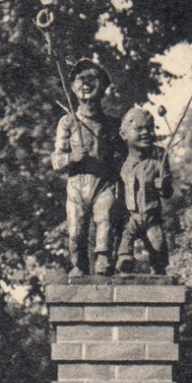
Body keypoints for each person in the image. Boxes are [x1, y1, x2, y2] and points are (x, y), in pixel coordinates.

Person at [51, 59, 123, 276]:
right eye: (80, 79)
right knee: (75, 234)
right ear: (72, 87)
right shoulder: (68, 122)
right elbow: (56, 161)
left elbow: (126, 157)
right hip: (76, 186)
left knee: (106, 220)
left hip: (103, 184)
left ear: (103, 87)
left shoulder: (113, 125)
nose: (86, 83)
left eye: (93, 78)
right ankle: (79, 265)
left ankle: (103, 259)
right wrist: (72, 157)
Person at [116, 106, 173, 275]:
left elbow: (167, 193)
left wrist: (163, 185)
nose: (146, 132)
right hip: (129, 217)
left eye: (149, 128)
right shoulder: (120, 160)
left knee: (159, 248)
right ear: (124, 134)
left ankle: (159, 276)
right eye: (139, 129)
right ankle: (123, 261)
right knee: (124, 244)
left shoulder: (159, 157)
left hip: (151, 216)